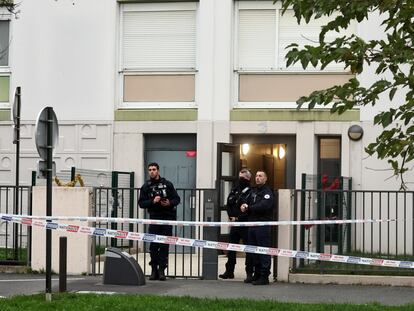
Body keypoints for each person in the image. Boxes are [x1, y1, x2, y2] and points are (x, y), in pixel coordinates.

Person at [138, 162, 181, 281]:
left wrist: (169, 203)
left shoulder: (167, 184)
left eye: (154, 169)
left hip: (167, 218)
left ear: (158, 171)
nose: (152, 171)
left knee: (164, 245)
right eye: (150, 170)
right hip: (154, 218)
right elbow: (141, 203)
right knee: (153, 245)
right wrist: (152, 201)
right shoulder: (146, 186)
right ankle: (154, 270)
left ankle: (162, 270)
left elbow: (177, 199)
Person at [219, 168, 254, 282]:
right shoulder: (234, 190)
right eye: (240, 177)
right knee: (231, 248)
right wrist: (231, 217)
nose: (241, 180)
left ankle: (249, 273)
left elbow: (249, 209)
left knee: (248, 250)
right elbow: (229, 204)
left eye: (243, 178)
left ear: (248, 179)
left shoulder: (251, 193)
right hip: (234, 224)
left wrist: (238, 218)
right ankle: (229, 271)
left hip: (245, 224)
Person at [240, 170, 274, 285]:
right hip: (252, 225)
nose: (258, 178)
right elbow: (248, 202)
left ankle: (264, 276)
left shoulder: (267, 192)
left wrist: (249, 208)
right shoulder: (253, 191)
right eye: (256, 176)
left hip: (262, 225)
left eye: (260, 176)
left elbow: (264, 206)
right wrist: (245, 206)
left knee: (263, 251)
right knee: (254, 252)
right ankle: (257, 274)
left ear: (265, 179)